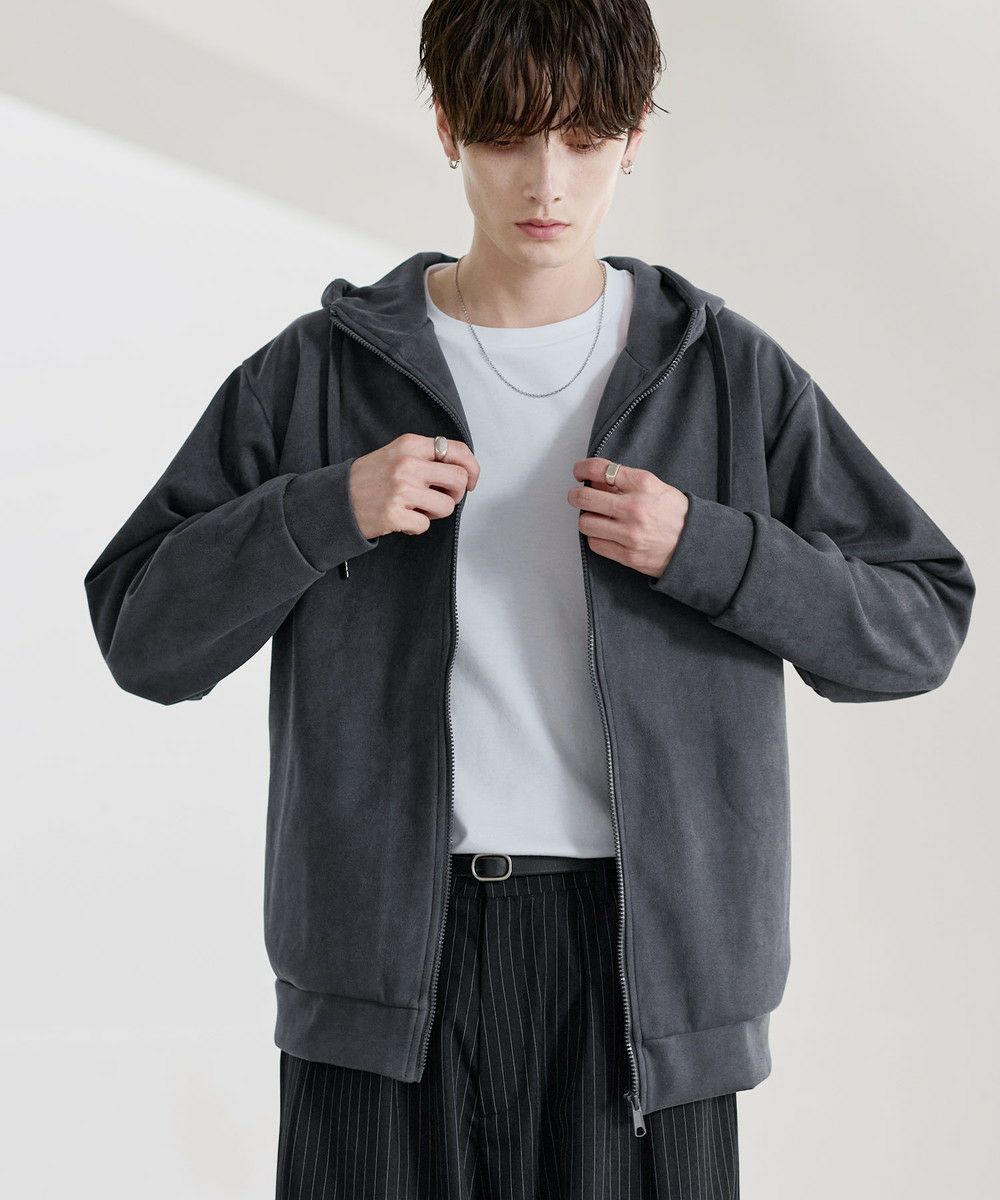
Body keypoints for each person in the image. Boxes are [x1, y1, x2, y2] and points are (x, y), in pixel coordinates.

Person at [83, 2, 976, 1197]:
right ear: (448, 129)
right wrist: (324, 508)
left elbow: (918, 622)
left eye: (586, 138)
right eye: (507, 137)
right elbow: (143, 636)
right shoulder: (319, 372)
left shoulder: (722, 371)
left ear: (635, 137)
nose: (547, 181)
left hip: (643, 982)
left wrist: (706, 548)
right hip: (382, 976)